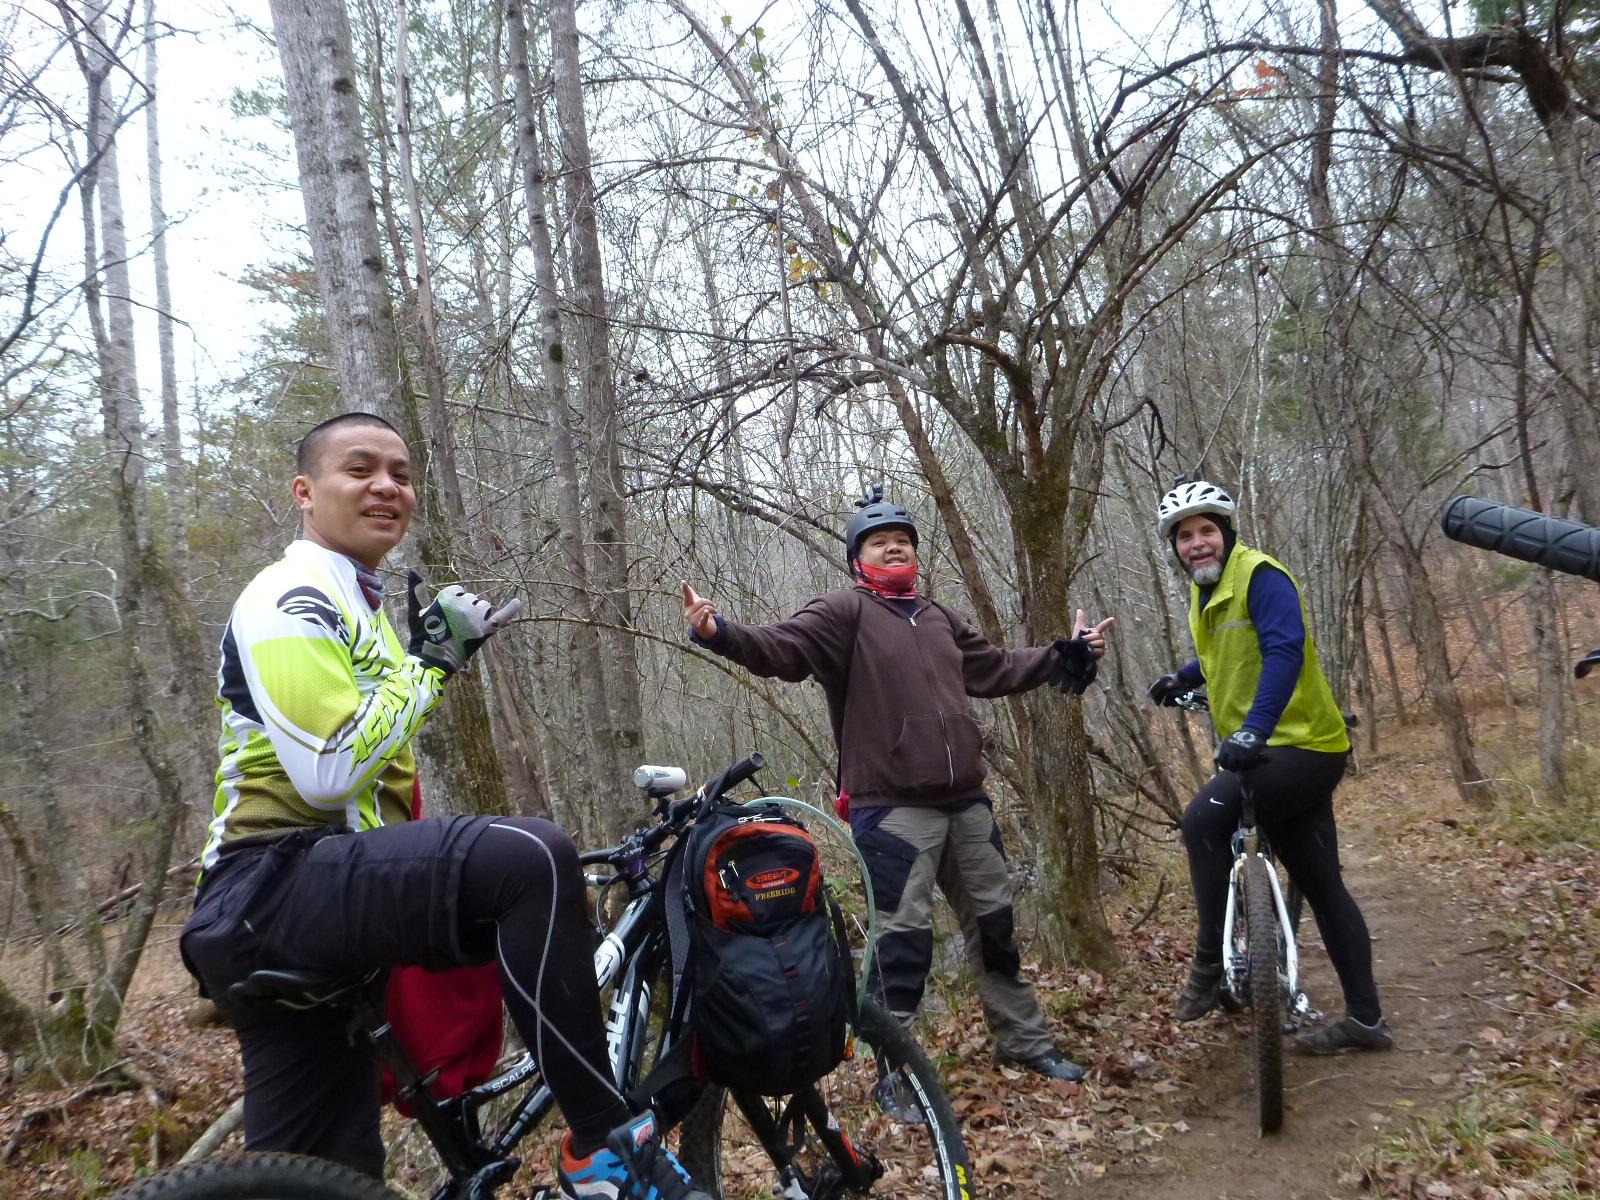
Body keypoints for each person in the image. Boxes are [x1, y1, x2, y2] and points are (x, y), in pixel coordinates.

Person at [180, 412, 713, 1200]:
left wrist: (417, 662)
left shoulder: (354, 603)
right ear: (304, 491)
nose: (386, 486)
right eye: (358, 469)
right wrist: (431, 663)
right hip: (270, 883)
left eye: (400, 472)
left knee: (315, 1183)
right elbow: (328, 769)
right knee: (530, 860)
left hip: (306, 919)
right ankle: (606, 1145)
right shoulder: (285, 596)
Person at [681, 487, 1112, 1102]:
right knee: (902, 945)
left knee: (994, 929)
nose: (893, 549)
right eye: (880, 543)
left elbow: (993, 667)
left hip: (966, 803)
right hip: (891, 809)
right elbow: (783, 648)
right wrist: (720, 631)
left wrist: (1060, 656)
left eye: (903, 542)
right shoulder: (842, 612)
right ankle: (896, 1075)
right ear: (859, 558)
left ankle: (1024, 1041)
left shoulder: (937, 617)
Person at [1147, 478, 1392, 1054]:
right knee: (1321, 882)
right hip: (1281, 750)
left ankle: (1208, 964)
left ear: (1226, 534)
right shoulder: (1204, 594)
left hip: (1297, 746)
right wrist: (1182, 678)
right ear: (1176, 547)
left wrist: (1254, 727)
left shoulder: (1261, 576)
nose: (1197, 543)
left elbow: (1284, 648)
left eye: (1207, 530)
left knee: (1203, 822)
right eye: (1186, 536)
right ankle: (1365, 1020)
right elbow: (1225, 655)